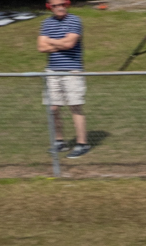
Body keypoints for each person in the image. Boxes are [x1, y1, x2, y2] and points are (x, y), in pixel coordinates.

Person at [39, 0, 89, 159]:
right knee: (53, 108)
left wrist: (51, 42)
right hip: (52, 70)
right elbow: (41, 47)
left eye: (62, 4)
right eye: (55, 5)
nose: (59, 7)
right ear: (50, 7)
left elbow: (70, 43)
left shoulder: (74, 20)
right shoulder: (46, 23)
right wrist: (62, 43)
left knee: (75, 106)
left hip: (72, 70)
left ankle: (82, 143)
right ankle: (58, 141)